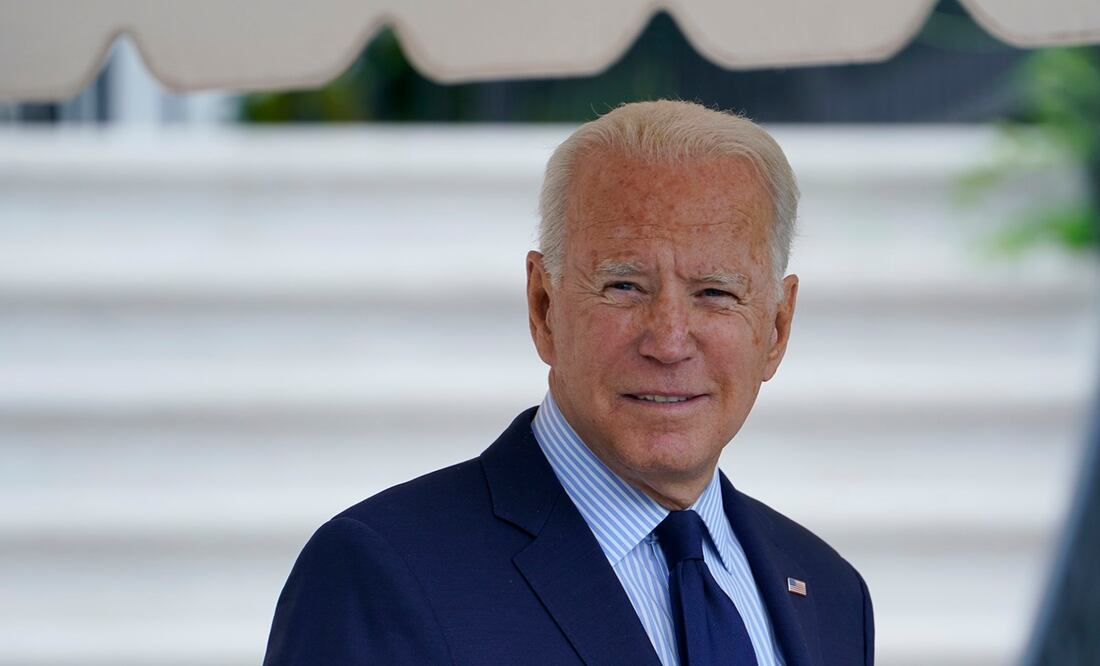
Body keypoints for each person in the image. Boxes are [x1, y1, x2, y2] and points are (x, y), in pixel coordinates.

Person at [262, 100, 874, 665]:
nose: (667, 341)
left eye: (715, 293)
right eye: (624, 286)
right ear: (544, 307)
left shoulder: (832, 594)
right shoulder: (380, 573)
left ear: (776, 326)